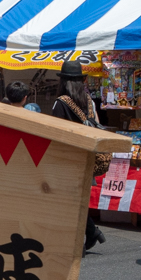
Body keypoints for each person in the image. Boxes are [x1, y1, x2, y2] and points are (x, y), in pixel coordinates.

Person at [51, 60, 107, 252]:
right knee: (76, 200)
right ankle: (91, 232)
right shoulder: (89, 101)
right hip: (87, 156)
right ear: (82, 80)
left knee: (67, 202)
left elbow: (56, 134)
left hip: (68, 159)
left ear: (63, 81)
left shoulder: (61, 103)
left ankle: (78, 242)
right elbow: (97, 125)